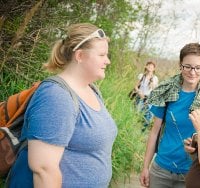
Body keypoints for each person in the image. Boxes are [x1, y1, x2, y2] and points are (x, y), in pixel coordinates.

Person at [7, 23, 117, 188]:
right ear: (79, 56)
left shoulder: (92, 90)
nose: (107, 61)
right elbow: (44, 169)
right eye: (102, 55)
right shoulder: (56, 96)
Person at [139, 43, 200, 188]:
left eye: (197, 67)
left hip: (193, 172)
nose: (192, 72)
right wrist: (145, 167)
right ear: (180, 65)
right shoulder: (166, 91)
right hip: (161, 170)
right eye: (187, 66)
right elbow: (154, 132)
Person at [133, 61, 159, 131]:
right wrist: (139, 92)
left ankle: (142, 130)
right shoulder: (141, 75)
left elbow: (155, 90)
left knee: (148, 115)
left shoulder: (155, 78)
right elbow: (135, 86)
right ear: (146, 67)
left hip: (149, 98)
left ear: (154, 69)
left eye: (152, 66)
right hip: (140, 96)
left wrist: (153, 85)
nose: (150, 67)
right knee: (137, 113)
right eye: (149, 66)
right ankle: (134, 128)